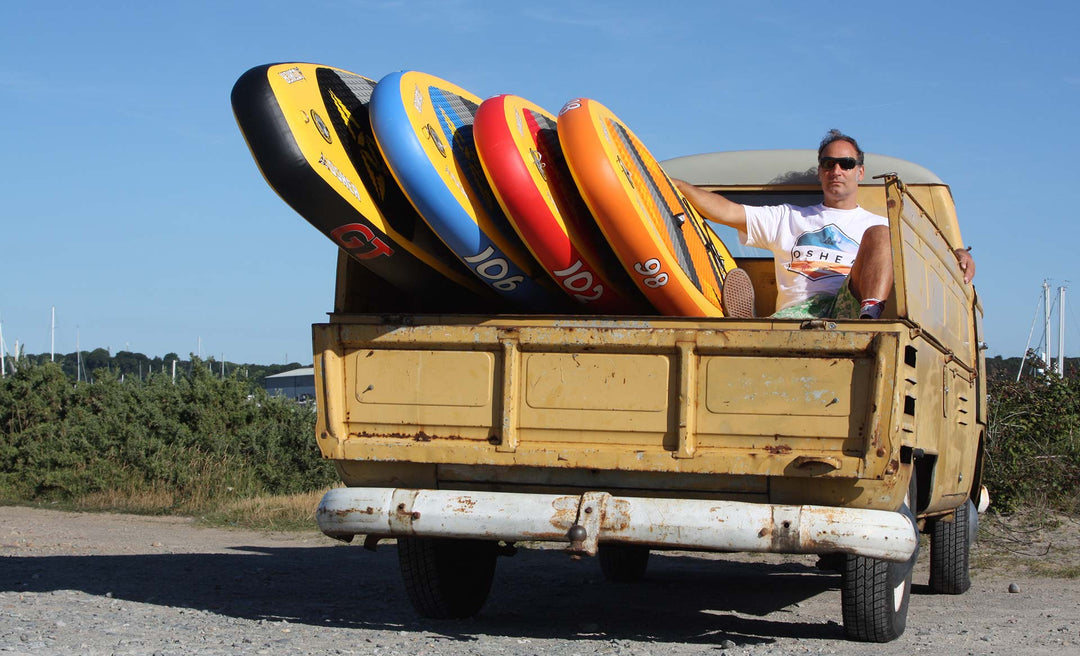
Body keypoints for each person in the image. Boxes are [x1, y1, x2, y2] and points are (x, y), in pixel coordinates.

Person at [674, 130, 975, 319]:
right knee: (784, 324)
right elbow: (727, 211)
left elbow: (929, 261)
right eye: (829, 163)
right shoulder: (789, 217)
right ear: (820, 171)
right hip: (796, 315)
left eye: (846, 164)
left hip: (848, 308)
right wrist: (675, 185)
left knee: (881, 235)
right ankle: (755, 325)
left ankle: (869, 317)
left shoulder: (880, 226)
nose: (837, 170)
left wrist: (958, 252)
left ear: (860, 172)